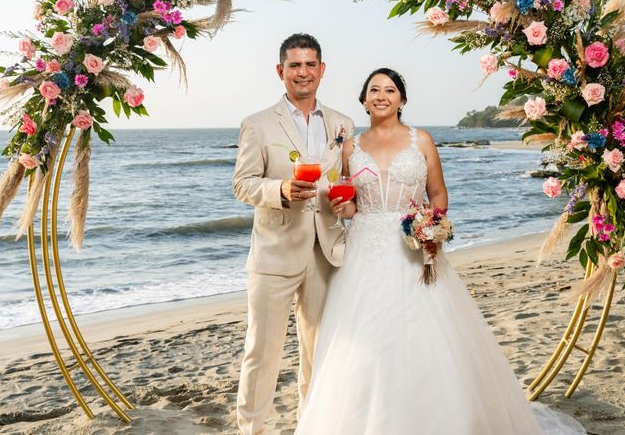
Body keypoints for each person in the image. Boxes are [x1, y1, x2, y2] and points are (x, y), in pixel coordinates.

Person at [294, 68, 586, 434]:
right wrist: (343, 208)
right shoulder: (351, 146)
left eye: (390, 90)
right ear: (364, 99)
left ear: (402, 99)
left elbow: (438, 194)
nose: (381, 95)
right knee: (366, 338)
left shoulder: (423, 141)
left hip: (414, 246)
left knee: (428, 336)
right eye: (374, 90)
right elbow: (352, 203)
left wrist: (430, 226)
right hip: (363, 250)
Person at [232, 33, 355, 435]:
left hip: (327, 253)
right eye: (295, 65)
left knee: (318, 354)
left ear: (322, 70)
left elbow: (348, 179)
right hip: (274, 254)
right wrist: (280, 191)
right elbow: (243, 184)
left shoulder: (343, 124)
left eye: (310, 64)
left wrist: (345, 201)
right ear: (280, 70)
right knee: (262, 354)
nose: (303, 72)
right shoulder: (258, 124)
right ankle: (252, 430)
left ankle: (312, 426)